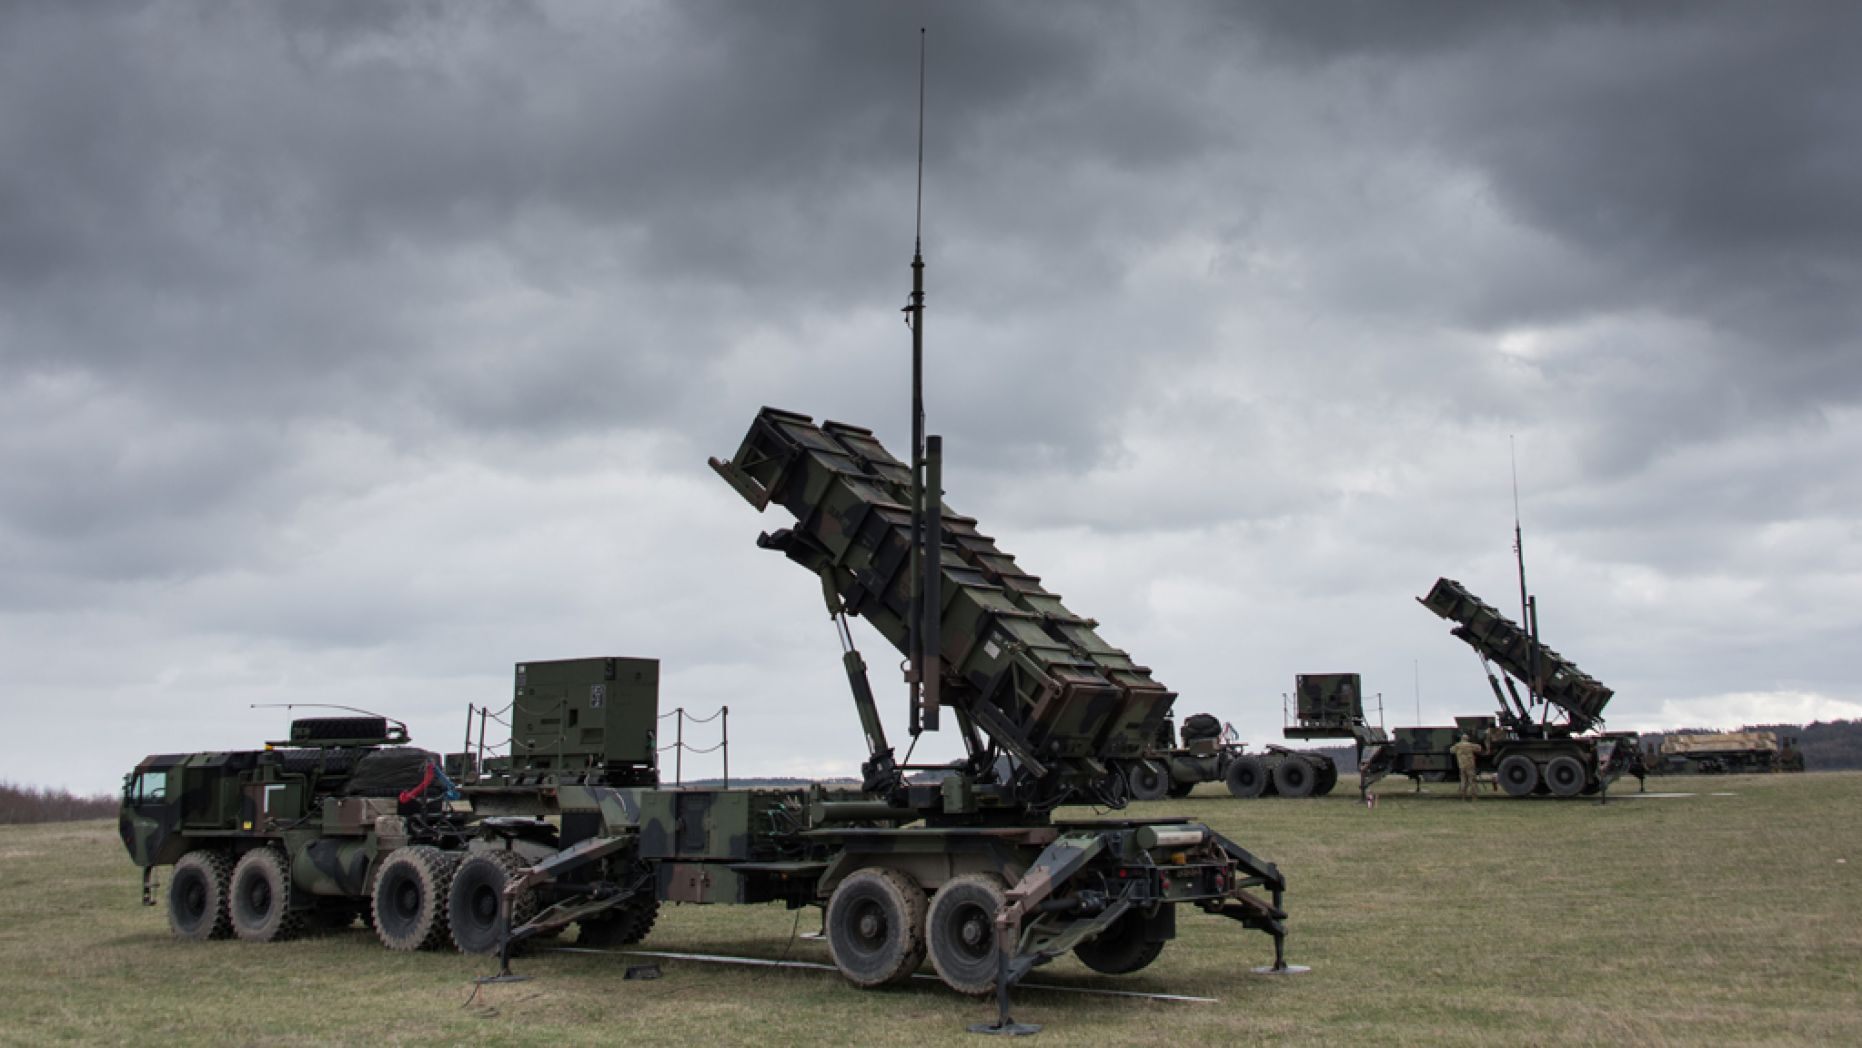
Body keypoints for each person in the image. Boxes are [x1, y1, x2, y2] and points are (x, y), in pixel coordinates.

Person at [1450, 733, 1484, 802]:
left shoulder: (1457, 745)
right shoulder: (1470, 745)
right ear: (1467, 739)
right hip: (1470, 765)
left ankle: (1463, 798)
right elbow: (1479, 749)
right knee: (1472, 781)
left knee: (1463, 781)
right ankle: (1474, 798)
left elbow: (1451, 750)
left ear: (1461, 739)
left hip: (1461, 766)